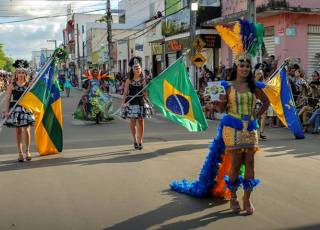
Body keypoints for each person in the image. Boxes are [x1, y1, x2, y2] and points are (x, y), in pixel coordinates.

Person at [2, 60, 35, 162]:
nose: (21, 74)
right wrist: (6, 111)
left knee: (27, 130)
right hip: (15, 108)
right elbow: (7, 98)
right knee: (18, 131)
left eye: (23, 72)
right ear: (16, 74)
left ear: (26, 74)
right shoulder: (12, 85)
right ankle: (20, 153)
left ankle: (28, 151)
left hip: (26, 109)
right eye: (19, 72)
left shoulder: (29, 85)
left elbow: (34, 98)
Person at [121, 56, 152, 150]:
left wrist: (147, 95)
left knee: (141, 121)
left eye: (139, 68)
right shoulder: (129, 80)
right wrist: (123, 103)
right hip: (131, 101)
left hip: (141, 101)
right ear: (132, 70)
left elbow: (145, 93)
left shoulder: (143, 79)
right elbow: (125, 92)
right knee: (133, 122)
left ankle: (140, 141)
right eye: (136, 68)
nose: (138, 70)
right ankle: (134, 140)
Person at [254, 69, 267, 139]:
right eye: (258, 73)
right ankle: (254, 131)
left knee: (264, 115)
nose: (260, 75)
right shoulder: (253, 81)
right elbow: (263, 86)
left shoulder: (263, 81)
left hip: (262, 101)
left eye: (261, 73)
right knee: (255, 116)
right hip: (254, 101)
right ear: (255, 74)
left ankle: (261, 132)